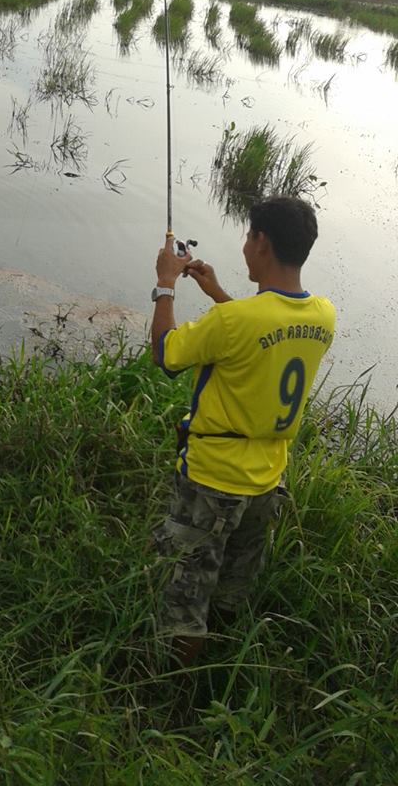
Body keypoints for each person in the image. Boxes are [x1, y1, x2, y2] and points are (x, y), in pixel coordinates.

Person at [150, 196, 335, 667]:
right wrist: (217, 293)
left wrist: (166, 285)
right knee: (231, 589)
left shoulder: (233, 322)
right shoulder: (322, 316)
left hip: (213, 480)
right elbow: (263, 334)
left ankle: (174, 702)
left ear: (262, 243)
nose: (245, 245)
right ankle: (224, 668)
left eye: (249, 235)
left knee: (186, 600)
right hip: (267, 481)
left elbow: (166, 355)